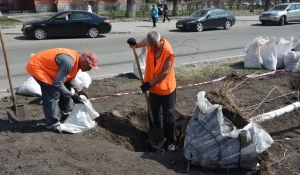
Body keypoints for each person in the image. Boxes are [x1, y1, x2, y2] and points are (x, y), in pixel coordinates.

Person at [26, 48, 100, 131]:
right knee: (53, 93)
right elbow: (58, 84)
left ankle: (67, 113)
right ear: (84, 61)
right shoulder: (69, 62)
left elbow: (69, 78)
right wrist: (72, 95)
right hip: (37, 66)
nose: (89, 69)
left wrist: (79, 90)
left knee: (65, 86)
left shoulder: (76, 60)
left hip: (48, 68)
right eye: (89, 66)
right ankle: (52, 124)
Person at [127, 31, 177, 151]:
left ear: (160, 40)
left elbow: (165, 72)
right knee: (153, 112)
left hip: (166, 88)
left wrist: (149, 83)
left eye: (155, 45)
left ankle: (171, 140)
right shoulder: (149, 42)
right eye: (151, 46)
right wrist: (133, 43)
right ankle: (156, 134)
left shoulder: (167, 51)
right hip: (153, 88)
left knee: (169, 115)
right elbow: (139, 44)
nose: (153, 48)